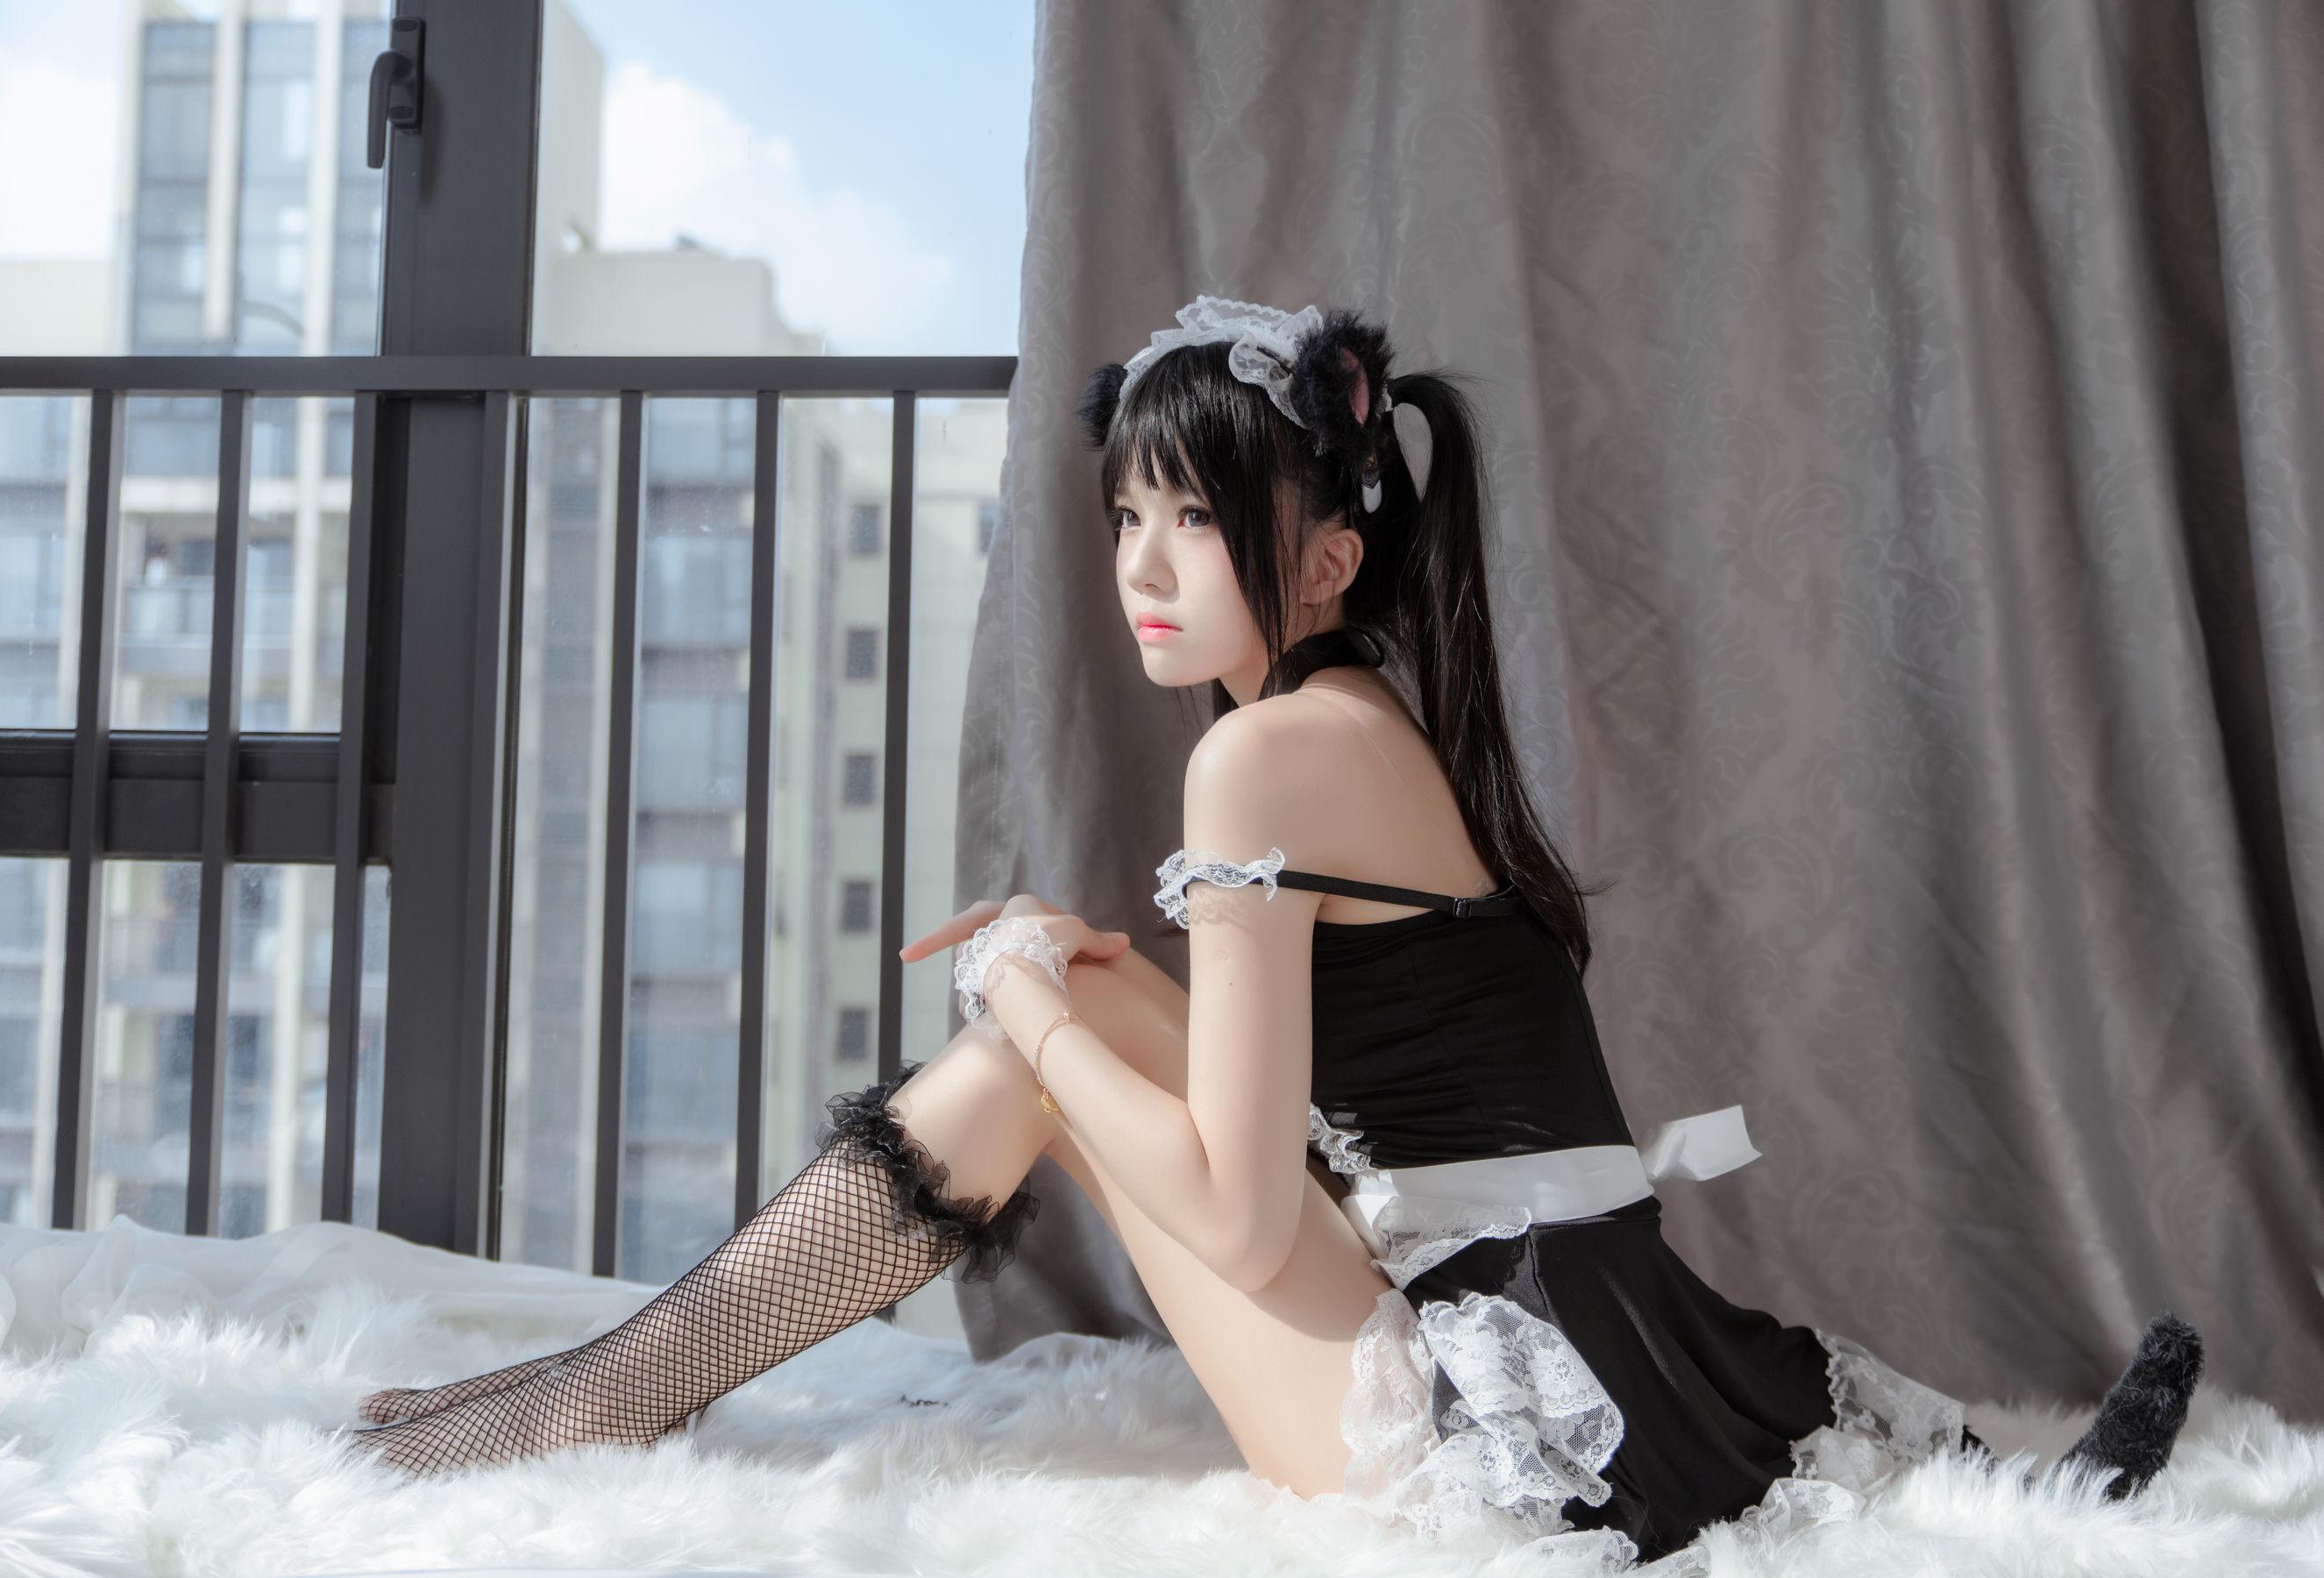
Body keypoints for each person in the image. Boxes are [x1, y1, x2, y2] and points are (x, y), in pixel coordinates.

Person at [337, 295, 2204, 1568]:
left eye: (1193, 521)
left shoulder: (1260, 762)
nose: (1142, 568)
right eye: (1124, 514)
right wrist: (1071, 979)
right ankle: (611, 1388)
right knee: (1055, 999)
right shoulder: (1354, 719)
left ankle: (608, 1396)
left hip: (1491, 1425)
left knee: (1021, 1041)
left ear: (1322, 559)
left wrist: (1029, 1009)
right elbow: (1328, 1098)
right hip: (1581, 1327)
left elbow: (1240, 1215)